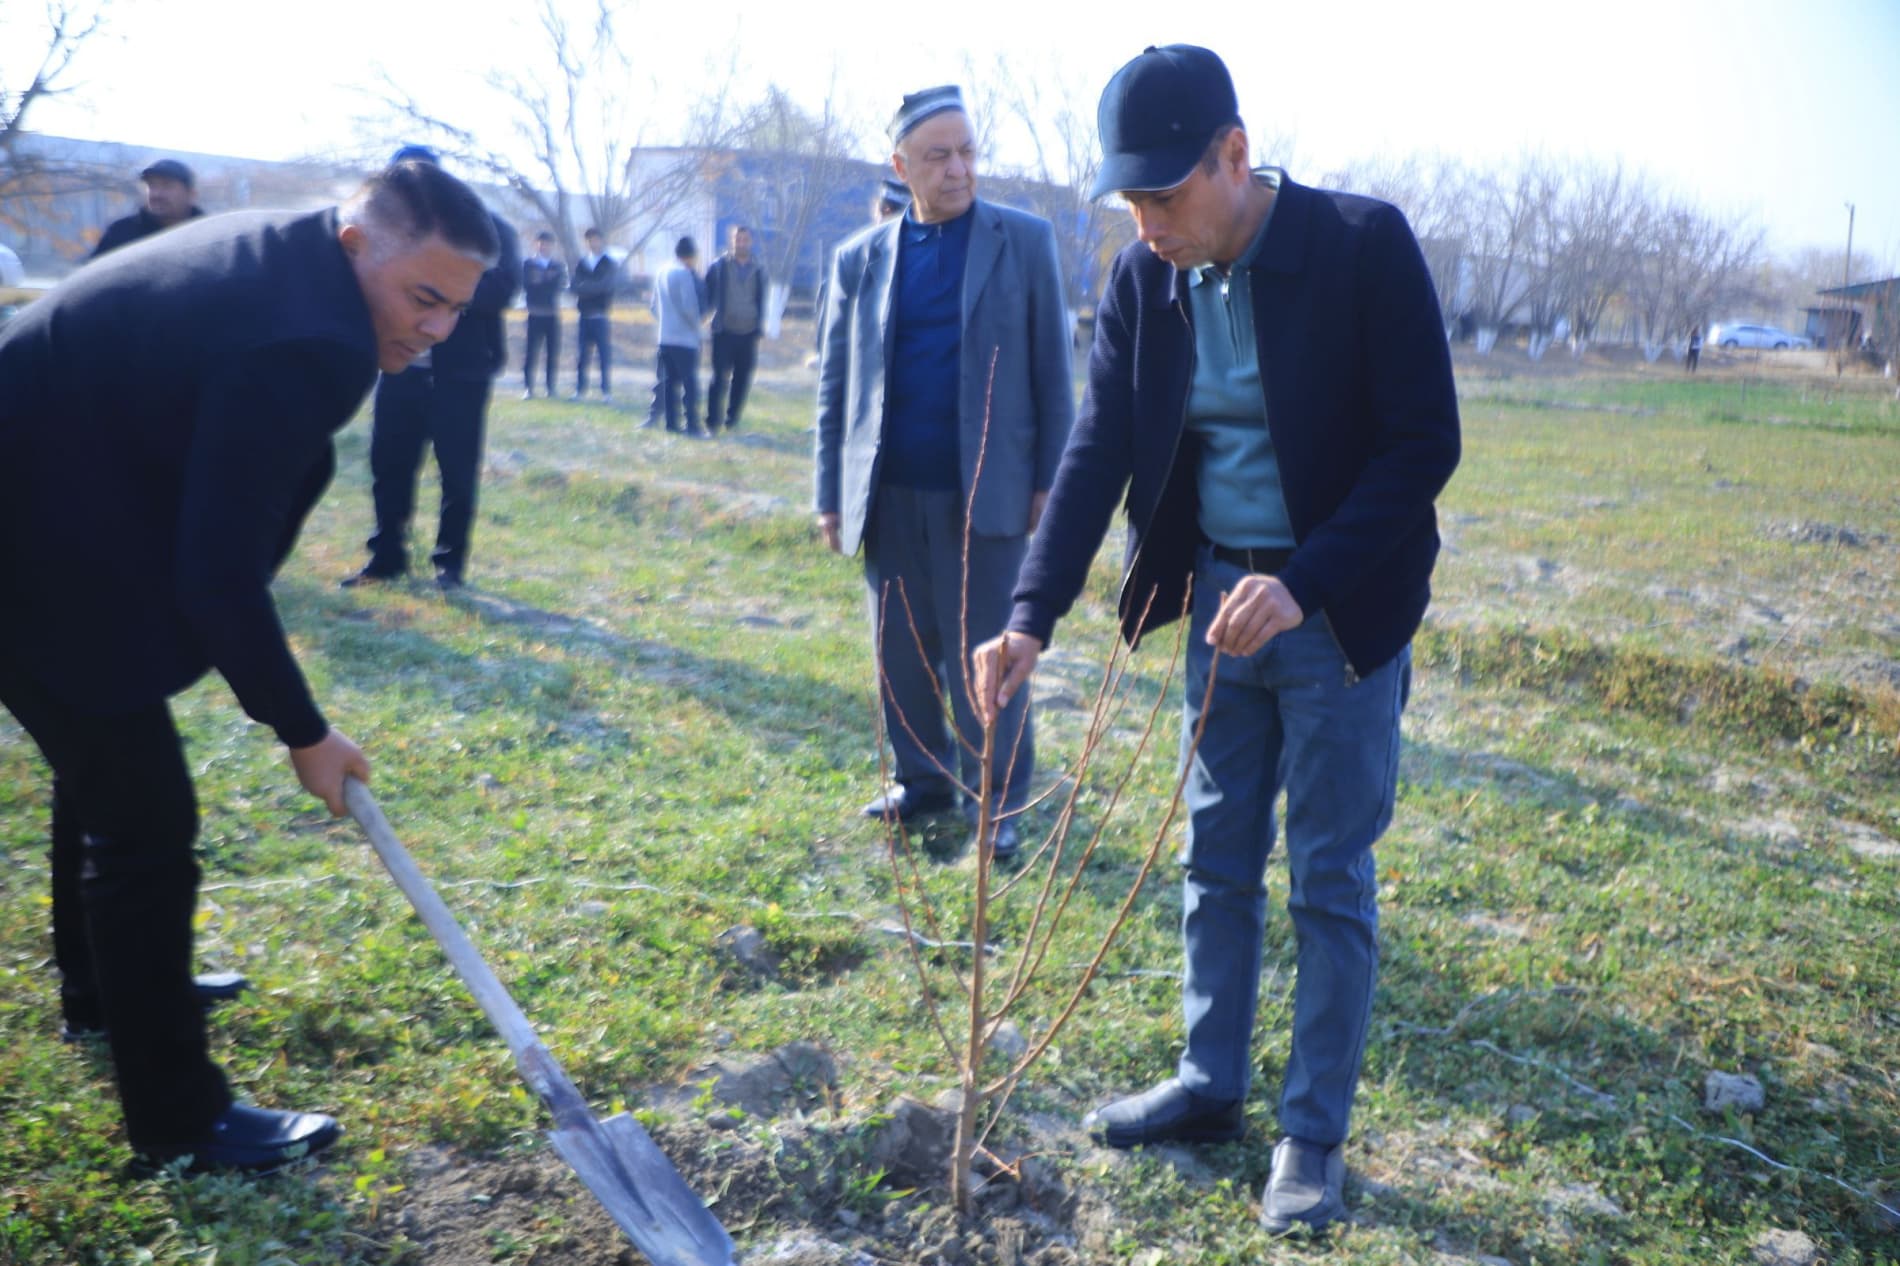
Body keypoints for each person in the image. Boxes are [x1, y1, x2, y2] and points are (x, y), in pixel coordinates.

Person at [972, 45, 1460, 1234]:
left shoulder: (1358, 247)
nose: (1145, 225)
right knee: (1214, 857)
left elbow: (1422, 445)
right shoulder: (1146, 283)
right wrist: (1029, 616)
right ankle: (1207, 1083)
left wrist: (1302, 584)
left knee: (1329, 877)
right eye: (1129, 202)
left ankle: (1310, 1135)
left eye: (1165, 196)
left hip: (1339, 613)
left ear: (1234, 156)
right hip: (1215, 611)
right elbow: (1096, 449)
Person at [0, 159, 497, 1171]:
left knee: (105, 747)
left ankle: (105, 989)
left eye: (457, 308)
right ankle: (179, 1120)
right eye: (424, 298)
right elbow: (217, 577)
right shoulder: (311, 335)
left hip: (53, 492)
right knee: (144, 820)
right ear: (361, 243)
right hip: (27, 526)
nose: (438, 329)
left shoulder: (302, 255)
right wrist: (303, 732)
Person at [815, 85, 1074, 859]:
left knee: (987, 654)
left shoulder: (1023, 243)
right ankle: (920, 781)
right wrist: (829, 491)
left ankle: (997, 803)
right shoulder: (859, 259)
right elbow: (837, 382)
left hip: (986, 491)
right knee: (900, 647)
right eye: (938, 156)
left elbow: (1054, 374)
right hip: (887, 492)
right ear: (901, 165)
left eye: (967, 151)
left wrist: (1049, 483)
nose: (959, 169)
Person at [344, 146, 519, 592]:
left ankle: (450, 565)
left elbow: (500, 289)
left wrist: (434, 283)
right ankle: (386, 558)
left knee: (457, 470)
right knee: (389, 464)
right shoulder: (384, 232)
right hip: (399, 368)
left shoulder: (490, 230)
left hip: (460, 374)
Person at [703, 224, 766, 433]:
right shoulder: (719, 266)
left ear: (751, 242)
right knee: (719, 378)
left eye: (745, 239)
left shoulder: (759, 270)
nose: (741, 243)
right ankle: (713, 421)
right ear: (731, 241)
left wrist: (761, 325)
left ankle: (732, 420)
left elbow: (763, 299)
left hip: (748, 333)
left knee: (742, 379)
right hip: (724, 332)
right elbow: (706, 294)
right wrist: (708, 317)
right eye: (737, 239)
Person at [90, 158, 205, 259]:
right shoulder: (121, 233)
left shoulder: (207, 235)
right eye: (151, 186)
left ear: (191, 194)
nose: (156, 194)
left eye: (167, 185)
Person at [648, 235, 705, 435]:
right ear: (691, 257)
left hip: (664, 337)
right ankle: (693, 426)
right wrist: (698, 330)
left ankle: (672, 424)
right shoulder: (684, 274)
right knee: (689, 383)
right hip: (684, 339)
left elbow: (654, 306)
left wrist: (666, 321)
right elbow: (689, 308)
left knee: (670, 383)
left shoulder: (661, 272)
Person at [570, 227, 617, 401]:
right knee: (582, 356)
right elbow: (574, 286)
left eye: (596, 239)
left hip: (601, 316)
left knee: (603, 356)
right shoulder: (582, 263)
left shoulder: (608, 263)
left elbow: (604, 286)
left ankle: (606, 392)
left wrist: (586, 288)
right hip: (584, 316)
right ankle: (580, 390)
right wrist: (591, 288)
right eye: (589, 240)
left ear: (601, 241)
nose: (593, 242)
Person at [521, 230, 566, 398]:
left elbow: (558, 287)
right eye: (541, 242)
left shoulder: (557, 266)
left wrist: (542, 280)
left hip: (552, 314)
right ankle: (528, 388)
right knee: (531, 352)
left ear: (552, 246)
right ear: (536, 244)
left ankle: (550, 387)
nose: (543, 246)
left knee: (552, 352)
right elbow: (528, 285)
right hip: (534, 313)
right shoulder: (529, 264)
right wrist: (545, 280)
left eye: (547, 243)